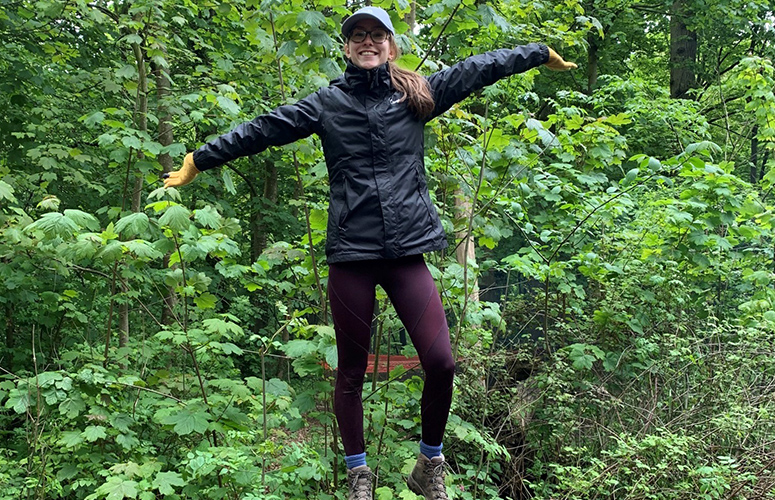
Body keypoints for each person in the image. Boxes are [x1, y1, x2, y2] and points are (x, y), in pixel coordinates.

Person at [164, 6, 576, 499]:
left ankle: (429, 463)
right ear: (346, 47)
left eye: (376, 35)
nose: (367, 42)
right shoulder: (325, 105)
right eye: (358, 35)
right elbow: (262, 129)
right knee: (352, 371)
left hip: (407, 255)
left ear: (390, 45)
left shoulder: (418, 94)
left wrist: (536, 54)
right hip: (351, 255)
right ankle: (360, 473)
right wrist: (197, 159)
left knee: (441, 362)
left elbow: (478, 68)